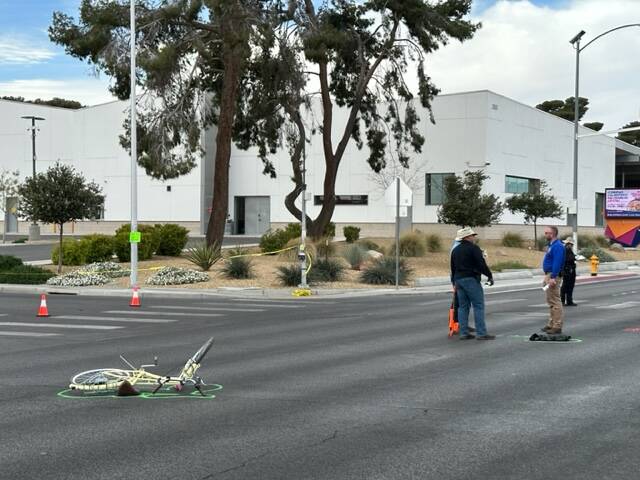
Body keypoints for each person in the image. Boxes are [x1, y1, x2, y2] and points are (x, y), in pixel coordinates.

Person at [450, 227, 495, 340]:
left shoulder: (455, 250)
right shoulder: (474, 248)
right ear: (467, 237)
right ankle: (481, 333)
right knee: (478, 306)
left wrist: (454, 282)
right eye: (472, 235)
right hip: (470, 279)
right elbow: (481, 264)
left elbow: (453, 267)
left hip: (458, 280)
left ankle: (463, 332)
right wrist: (489, 275)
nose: (474, 237)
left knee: (462, 307)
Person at [541, 226, 566, 334]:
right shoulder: (552, 245)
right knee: (550, 300)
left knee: (555, 300)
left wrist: (553, 277)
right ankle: (551, 323)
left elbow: (557, 262)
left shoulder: (558, 246)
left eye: (547, 233)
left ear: (553, 234)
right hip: (549, 274)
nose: (545, 234)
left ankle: (557, 325)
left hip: (552, 274)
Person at [561, 237, 577, 306]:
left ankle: (569, 301)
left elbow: (571, 258)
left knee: (570, 286)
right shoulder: (564, 250)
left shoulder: (569, 250)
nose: (571, 246)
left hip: (571, 270)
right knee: (565, 286)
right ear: (568, 244)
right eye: (571, 244)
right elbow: (567, 259)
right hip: (567, 270)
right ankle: (562, 301)